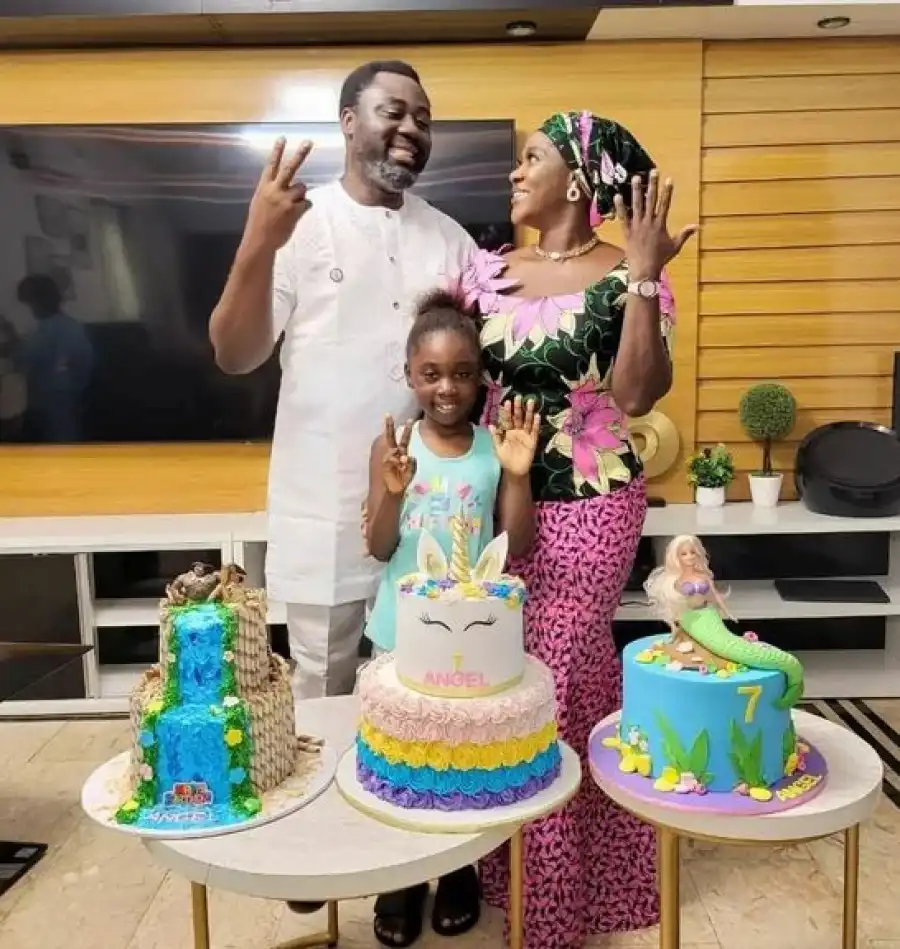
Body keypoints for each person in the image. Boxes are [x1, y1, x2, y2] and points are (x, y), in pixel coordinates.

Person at [458, 111, 697, 949]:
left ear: (579, 179)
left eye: (533, 158)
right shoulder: (485, 271)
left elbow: (634, 394)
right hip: (499, 499)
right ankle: (602, 872)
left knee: (551, 680)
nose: (515, 171)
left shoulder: (632, 272)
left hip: (593, 500)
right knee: (547, 680)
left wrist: (643, 275)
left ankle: (551, 912)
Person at [208, 60, 476, 703]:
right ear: (349, 122)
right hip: (323, 505)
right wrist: (258, 240)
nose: (411, 128)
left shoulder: (451, 240)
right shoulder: (300, 224)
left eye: (423, 119)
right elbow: (234, 355)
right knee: (322, 684)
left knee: (421, 683)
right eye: (394, 112)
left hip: (429, 510)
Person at [363, 287, 539, 947]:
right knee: (404, 757)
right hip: (400, 633)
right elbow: (379, 546)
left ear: (481, 377)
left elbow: (517, 545)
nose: (447, 387)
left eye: (463, 373)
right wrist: (391, 490)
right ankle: (400, 877)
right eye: (431, 373)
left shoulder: (496, 446)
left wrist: (516, 474)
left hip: (469, 643)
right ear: (410, 374)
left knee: (460, 758)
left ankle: (458, 869)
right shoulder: (396, 445)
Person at [15, 274, 94, 442]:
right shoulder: (56, 327)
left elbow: (29, 358)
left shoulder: (62, 329)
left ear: (40, 301)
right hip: (49, 402)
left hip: (59, 403)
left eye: (29, 304)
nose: (29, 310)